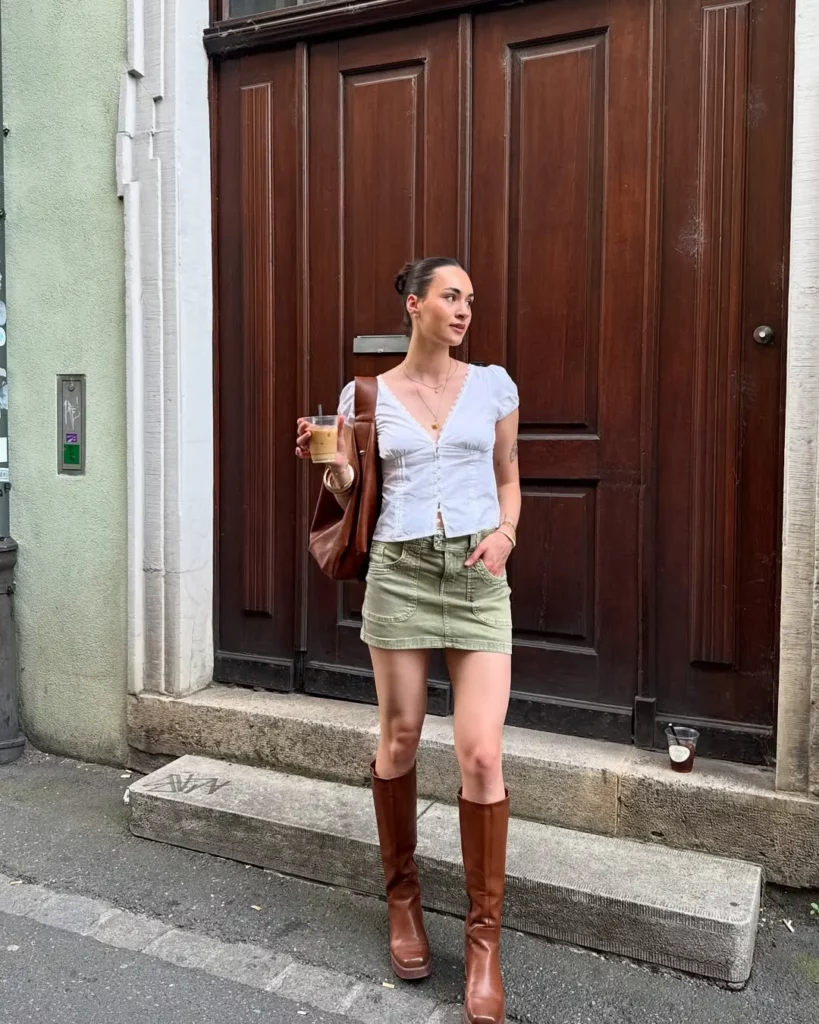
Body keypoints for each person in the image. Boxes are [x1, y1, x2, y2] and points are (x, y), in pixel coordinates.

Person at [295, 257, 520, 1024]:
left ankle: (483, 943)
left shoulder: (492, 386)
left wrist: (506, 533)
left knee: (480, 754)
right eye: (450, 296)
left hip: (476, 573)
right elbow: (348, 490)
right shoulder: (365, 396)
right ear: (414, 304)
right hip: (398, 570)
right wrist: (328, 466)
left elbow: (507, 474)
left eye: (469, 300)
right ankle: (403, 902)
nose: (463, 310)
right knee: (398, 737)